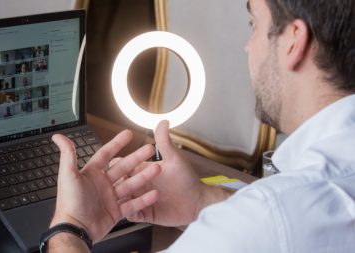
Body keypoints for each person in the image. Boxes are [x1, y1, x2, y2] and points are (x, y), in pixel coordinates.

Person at [45, 0, 355, 252]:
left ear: (294, 41)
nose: (248, 46)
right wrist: (202, 201)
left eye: (254, 24)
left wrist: (70, 227)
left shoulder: (265, 219)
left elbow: (274, 223)